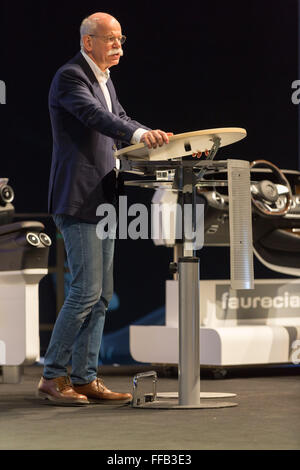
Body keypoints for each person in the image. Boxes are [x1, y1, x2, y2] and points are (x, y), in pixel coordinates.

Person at [37, 12, 170, 405]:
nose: (118, 45)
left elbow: (121, 118)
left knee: (101, 294)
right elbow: (97, 117)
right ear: (87, 42)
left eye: (120, 39)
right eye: (110, 39)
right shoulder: (71, 77)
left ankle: (84, 377)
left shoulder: (104, 80)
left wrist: (154, 137)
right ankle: (52, 377)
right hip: (77, 197)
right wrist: (136, 133)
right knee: (85, 290)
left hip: (103, 198)